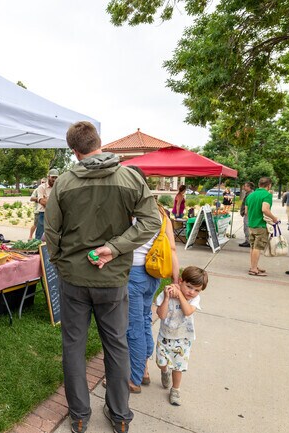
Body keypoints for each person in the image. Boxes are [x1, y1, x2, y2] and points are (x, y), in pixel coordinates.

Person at [45, 121, 161, 433]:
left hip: (75, 279)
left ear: (74, 150)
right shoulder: (129, 178)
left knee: (73, 345)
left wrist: (60, 262)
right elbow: (152, 222)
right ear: (99, 142)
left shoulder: (65, 182)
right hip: (112, 280)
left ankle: (80, 415)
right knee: (116, 344)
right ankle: (120, 415)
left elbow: (51, 232)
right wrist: (115, 248)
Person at [124, 167, 180, 395]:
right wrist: (176, 280)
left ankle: (134, 378)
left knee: (133, 327)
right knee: (145, 320)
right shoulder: (160, 211)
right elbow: (173, 248)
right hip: (154, 274)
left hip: (134, 274)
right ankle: (144, 370)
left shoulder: (131, 210)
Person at [155, 266, 208, 406]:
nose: (192, 292)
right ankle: (165, 371)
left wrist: (180, 295)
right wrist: (167, 297)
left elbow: (188, 311)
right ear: (180, 281)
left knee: (178, 367)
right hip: (165, 336)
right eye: (189, 287)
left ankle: (175, 390)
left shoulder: (194, 300)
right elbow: (161, 315)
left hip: (183, 339)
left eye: (197, 290)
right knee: (161, 363)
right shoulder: (168, 293)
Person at [244, 177, 279, 276]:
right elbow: (265, 209)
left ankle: (253, 266)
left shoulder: (251, 195)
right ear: (269, 185)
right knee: (258, 247)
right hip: (261, 225)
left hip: (251, 225)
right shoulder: (267, 195)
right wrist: (274, 218)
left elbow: (246, 212)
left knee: (252, 246)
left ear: (259, 184)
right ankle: (254, 269)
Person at [35, 170, 58, 240]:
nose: (54, 179)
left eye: (56, 177)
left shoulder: (58, 187)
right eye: (52, 177)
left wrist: (47, 201)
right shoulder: (42, 187)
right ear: (48, 177)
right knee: (39, 235)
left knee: (53, 235)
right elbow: (42, 201)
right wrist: (55, 202)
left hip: (55, 214)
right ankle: (37, 249)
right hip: (43, 214)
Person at [238, 182, 254, 247]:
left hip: (248, 213)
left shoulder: (250, 194)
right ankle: (248, 240)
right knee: (246, 227)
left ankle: (248, 242)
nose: (244, 187)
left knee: (247, 227)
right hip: (248, 213)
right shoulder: (249, 193)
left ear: (249, 187)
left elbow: (249, 204)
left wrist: (246, 212)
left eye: (245, 186)